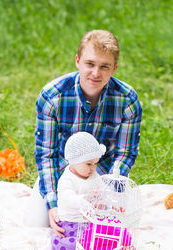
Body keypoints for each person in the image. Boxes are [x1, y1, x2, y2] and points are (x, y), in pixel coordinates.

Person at [25, 29, 142, 236]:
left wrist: (107, 192)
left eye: (104, 66)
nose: (96, 73)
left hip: (102, 175)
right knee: (36, 225)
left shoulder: (128, 100)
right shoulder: (52, 96)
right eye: (90, 64)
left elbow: (126, 153)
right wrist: (53, 203)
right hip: (62, 171)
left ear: (114, 68)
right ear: (77, 61)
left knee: (113, 228)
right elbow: (46, 155)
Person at [51, 132, 106, 250]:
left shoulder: (93, 175)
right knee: (68, 242)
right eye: (88, 164)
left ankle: (95, 244)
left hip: (90, 221)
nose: (93, 168)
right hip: (71, 223)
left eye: (96, 163)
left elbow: (103, 189)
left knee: (104, 232)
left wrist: (107, 200)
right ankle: (81, 245)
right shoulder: (67, 179)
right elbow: (68, 197)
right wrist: (84, 201)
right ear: (73, 161)